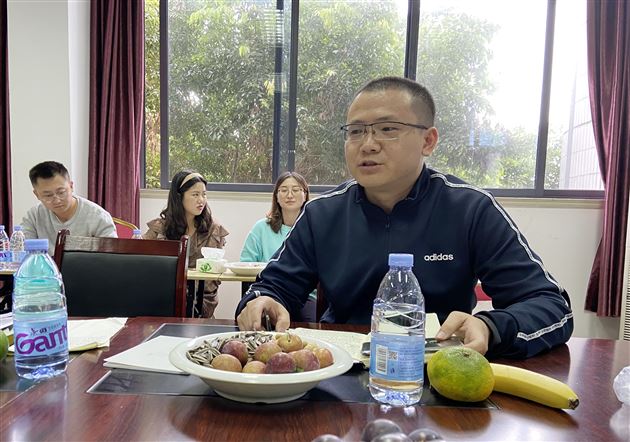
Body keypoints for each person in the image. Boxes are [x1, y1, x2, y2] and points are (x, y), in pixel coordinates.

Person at [235, 76, 573, 359]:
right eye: (355, 131)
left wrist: (490, 326)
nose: (368, 144)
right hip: (337, 374)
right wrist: (262, 301)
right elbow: (272, 287)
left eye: (387, 129)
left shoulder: (470, 209)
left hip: (439, 375)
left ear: (428, 141)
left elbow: (550, 305)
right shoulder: (322, 214)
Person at [144, 170, 229, 318]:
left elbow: (212, 278)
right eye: (195, 194)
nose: (201, 200)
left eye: (204, 194)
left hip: (201, 302)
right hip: (164, 299)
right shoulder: (161, 227)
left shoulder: (213, 229)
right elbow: (143, 262)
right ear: (179, 196)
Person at [240, 171, 317, 321]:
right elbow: (245, 263)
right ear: (276, 195)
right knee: (258, 321)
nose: (290, 195)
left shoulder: (314, 229)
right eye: (284, 190)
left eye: (296, 190)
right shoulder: (261, 228)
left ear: (305, 195)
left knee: (311, 324)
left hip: (307, 295)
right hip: (270, 292)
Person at [22, 161, 117, 255]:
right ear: (37, 194)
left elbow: (110, 256)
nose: (57, 200)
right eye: (48, 195)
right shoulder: (34, 216)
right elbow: (22, 251)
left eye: (61, 192)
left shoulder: (98, 217)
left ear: (71, 186)